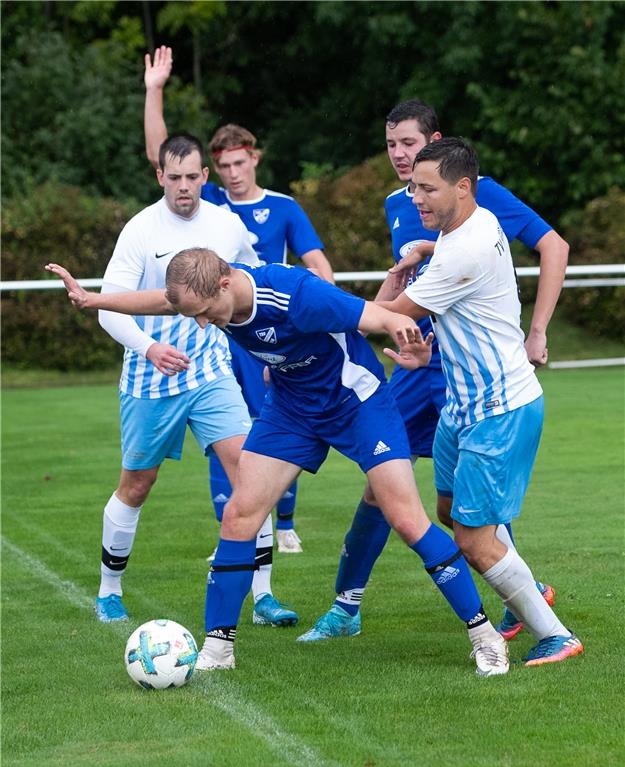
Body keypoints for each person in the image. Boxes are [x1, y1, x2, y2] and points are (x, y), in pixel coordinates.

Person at [47, 251, 511, 678]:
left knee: (407, 520)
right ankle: (218, 648)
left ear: (226, 283)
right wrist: (92, 300)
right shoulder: (206, 296)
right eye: (195, 316)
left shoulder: (295, 293)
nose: (205, 325)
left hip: (357, 401)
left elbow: (378, 315)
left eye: (207, 314)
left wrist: (407, 337)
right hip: (291, 409)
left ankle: (484, 636)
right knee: (239, 515)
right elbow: (164, 302)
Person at [304, 99, 568, 642]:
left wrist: (537, 329)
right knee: (385, 483)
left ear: (438, 151)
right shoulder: (409, 206)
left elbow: (551, 246)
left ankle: (530, 605)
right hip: (424, 368)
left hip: (482, 381)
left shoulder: (476, 196)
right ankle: (346, 605)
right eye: (391, 145)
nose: (401, 158)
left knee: (474, 513)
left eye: (410, 145)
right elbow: (423, 275)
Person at [379, 137, 583, 666]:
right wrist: (425, 249)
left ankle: (555, 633)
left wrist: (304, 308)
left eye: (428, 189)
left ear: (463, 188)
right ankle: (526, 586)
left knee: (472, 537)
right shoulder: (470, 224)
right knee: (449, 512)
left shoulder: (462, 249)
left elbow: (394, 315)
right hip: (462, 409)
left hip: (500, 409)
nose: (416, 199)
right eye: (412, 188)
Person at [90, 132, 297, 628]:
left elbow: (257, 280)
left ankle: (263, 597)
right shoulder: (140, 231)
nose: (184, 187)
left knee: (252, 473)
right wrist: (150, 347)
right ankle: (109, 589)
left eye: (192, 177)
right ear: (159, 176)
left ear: (205, 177)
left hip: (209, 372)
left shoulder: (227, 226)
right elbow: (108, 309)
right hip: (148, 378)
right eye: (174, 177)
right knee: (137, 484)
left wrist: (273, 345)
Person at [144, 45, 336, 553]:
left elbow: (315, 263)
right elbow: (161, 156)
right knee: (225, 437)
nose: (231, 173)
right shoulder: (210, 206)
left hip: (271, 331)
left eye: (238, 162)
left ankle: (285, 522)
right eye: (222, 165)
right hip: (220, 336)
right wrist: (154, 91)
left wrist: (331, 310)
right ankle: (231, 528)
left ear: (254, 159)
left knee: (276, 421)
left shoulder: (284, 207)